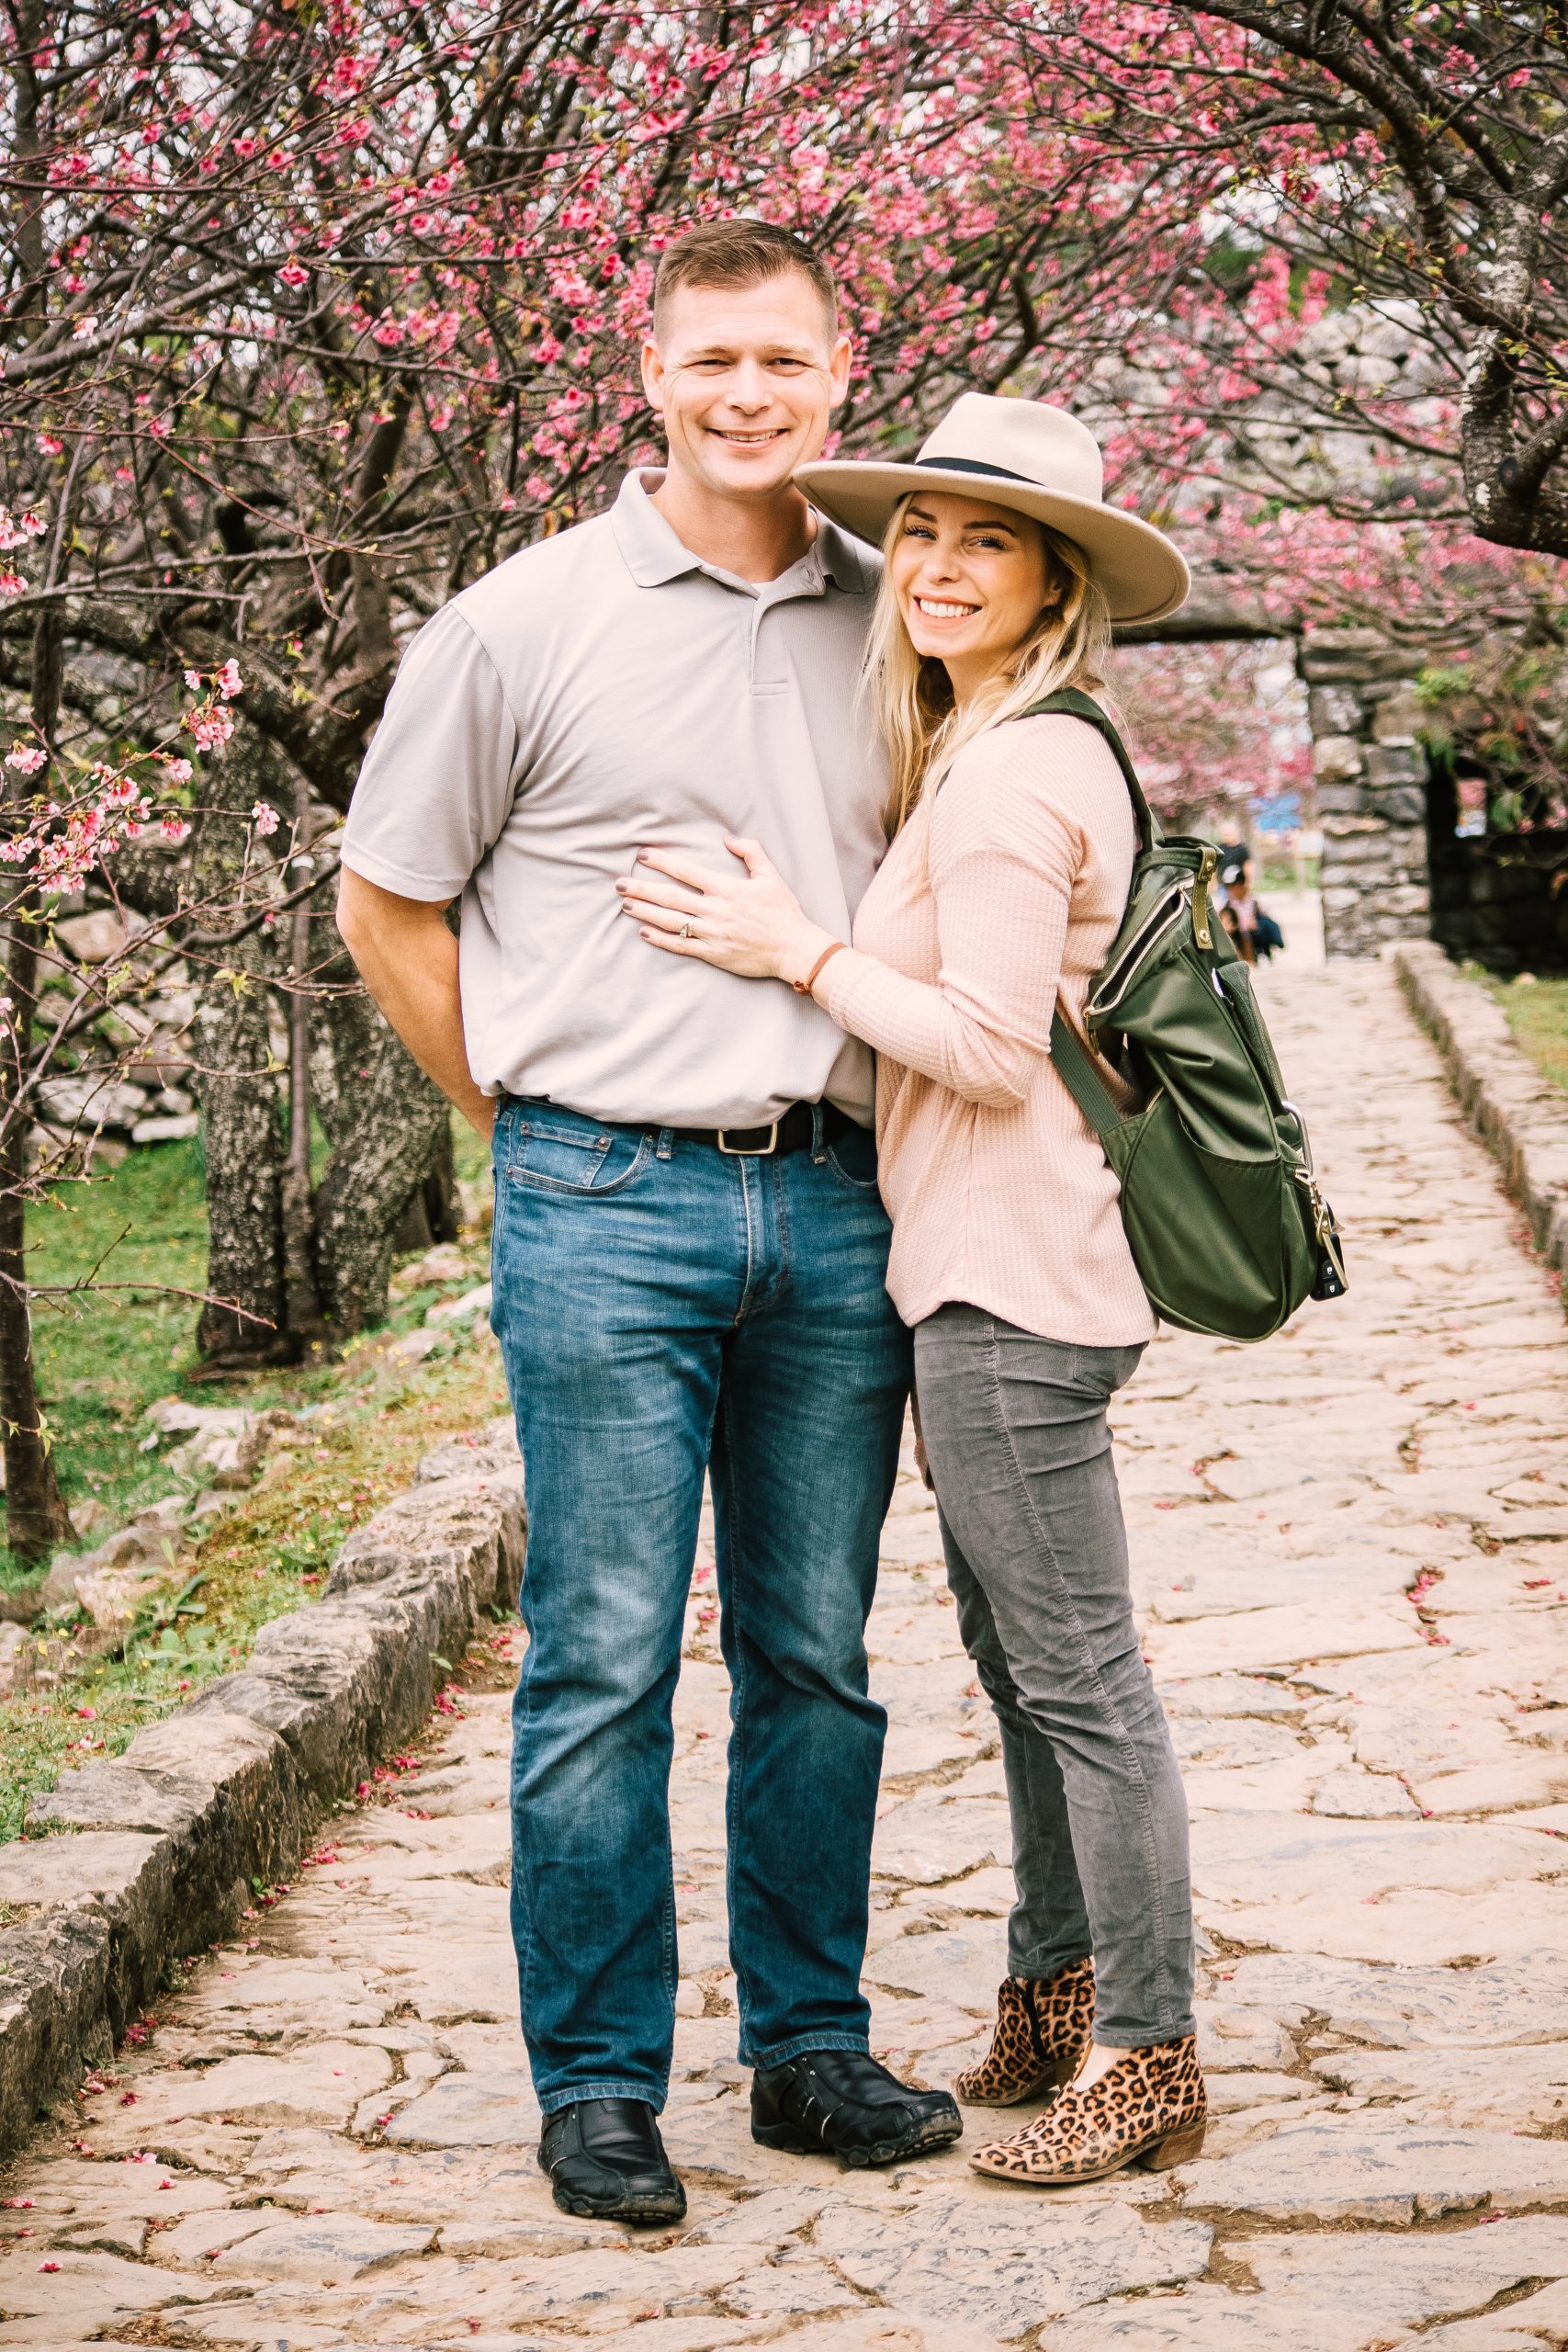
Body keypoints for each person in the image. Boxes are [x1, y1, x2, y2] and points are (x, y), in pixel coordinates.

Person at [335, 220, 959, 2229]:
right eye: (711, 362)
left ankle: (806, 2044)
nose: (748, 395)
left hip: (843, 1199)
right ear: (650, 371)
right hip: (601, 1191)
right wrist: (511, 1114)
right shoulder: (519, 623)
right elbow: (387, 901)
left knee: (814, 1651)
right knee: (597, 1659)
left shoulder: (897, 618)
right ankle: (598, 2082)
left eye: (783, 359)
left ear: (841, 369)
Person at [617, 391, 1209, 2187]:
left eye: (991, 540)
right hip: (962, 1272)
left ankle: (1146, 2044)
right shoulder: (983, 741)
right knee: (1022, 1667)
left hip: (1014, 1281)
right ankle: (1047, 1982)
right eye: (927, 535)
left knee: (1081, 1675)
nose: (942, 567)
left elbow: (977, 1042)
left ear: (1054, 580)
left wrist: (788, 949)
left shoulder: (1022, 769)